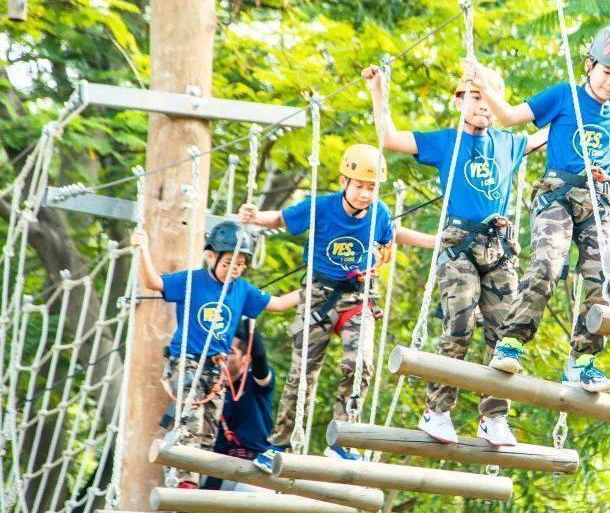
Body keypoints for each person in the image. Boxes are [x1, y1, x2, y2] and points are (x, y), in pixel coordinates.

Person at [470, 26, 610, 399]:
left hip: (598, 204)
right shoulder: (564, 95)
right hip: (558, 196)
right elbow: (508, 117)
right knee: (548, 266)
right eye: (607, 73)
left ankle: (583, 360)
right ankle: (511, 342)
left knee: (604, 278)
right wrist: (482, 85)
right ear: (589, 66)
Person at [364, 63, 548, 446]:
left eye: (489, 98)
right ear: (461, 101)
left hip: (497, 247)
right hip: (459, 244)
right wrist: (379, 90)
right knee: (460, 322)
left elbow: (555, 129)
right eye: (476, 97)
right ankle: (437, 409)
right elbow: (389, 137)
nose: (483, 106)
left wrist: (585, 99)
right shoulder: (446, 142)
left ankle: (494, 416)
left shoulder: (508, 143)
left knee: (505, 335)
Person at [239, 144, 436, 472]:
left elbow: (395, 235)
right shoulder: (322, 206)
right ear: (345, 181)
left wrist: (434, 240)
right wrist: (255, 217)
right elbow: (282, 219)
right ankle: (278, 443)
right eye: (359, 185)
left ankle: (343, 439)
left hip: (357, 298)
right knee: (302, 373)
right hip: (318, 296)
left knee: (361, 364)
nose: (364, 194)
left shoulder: (379, 214)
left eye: (371, 188)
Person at [132, 221, 300, 489]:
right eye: (229, 263)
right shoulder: (192, 281)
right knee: (192, 417)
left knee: (209, 428)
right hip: (188, 360)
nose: (235, 269)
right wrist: (143, 250)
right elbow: (153, 282)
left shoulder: (241, 289)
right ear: (211, 256)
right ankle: (184, 480)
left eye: (241, 264)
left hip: (215, 367)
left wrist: (312, 290)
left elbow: (278, 304)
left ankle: (192, 478)